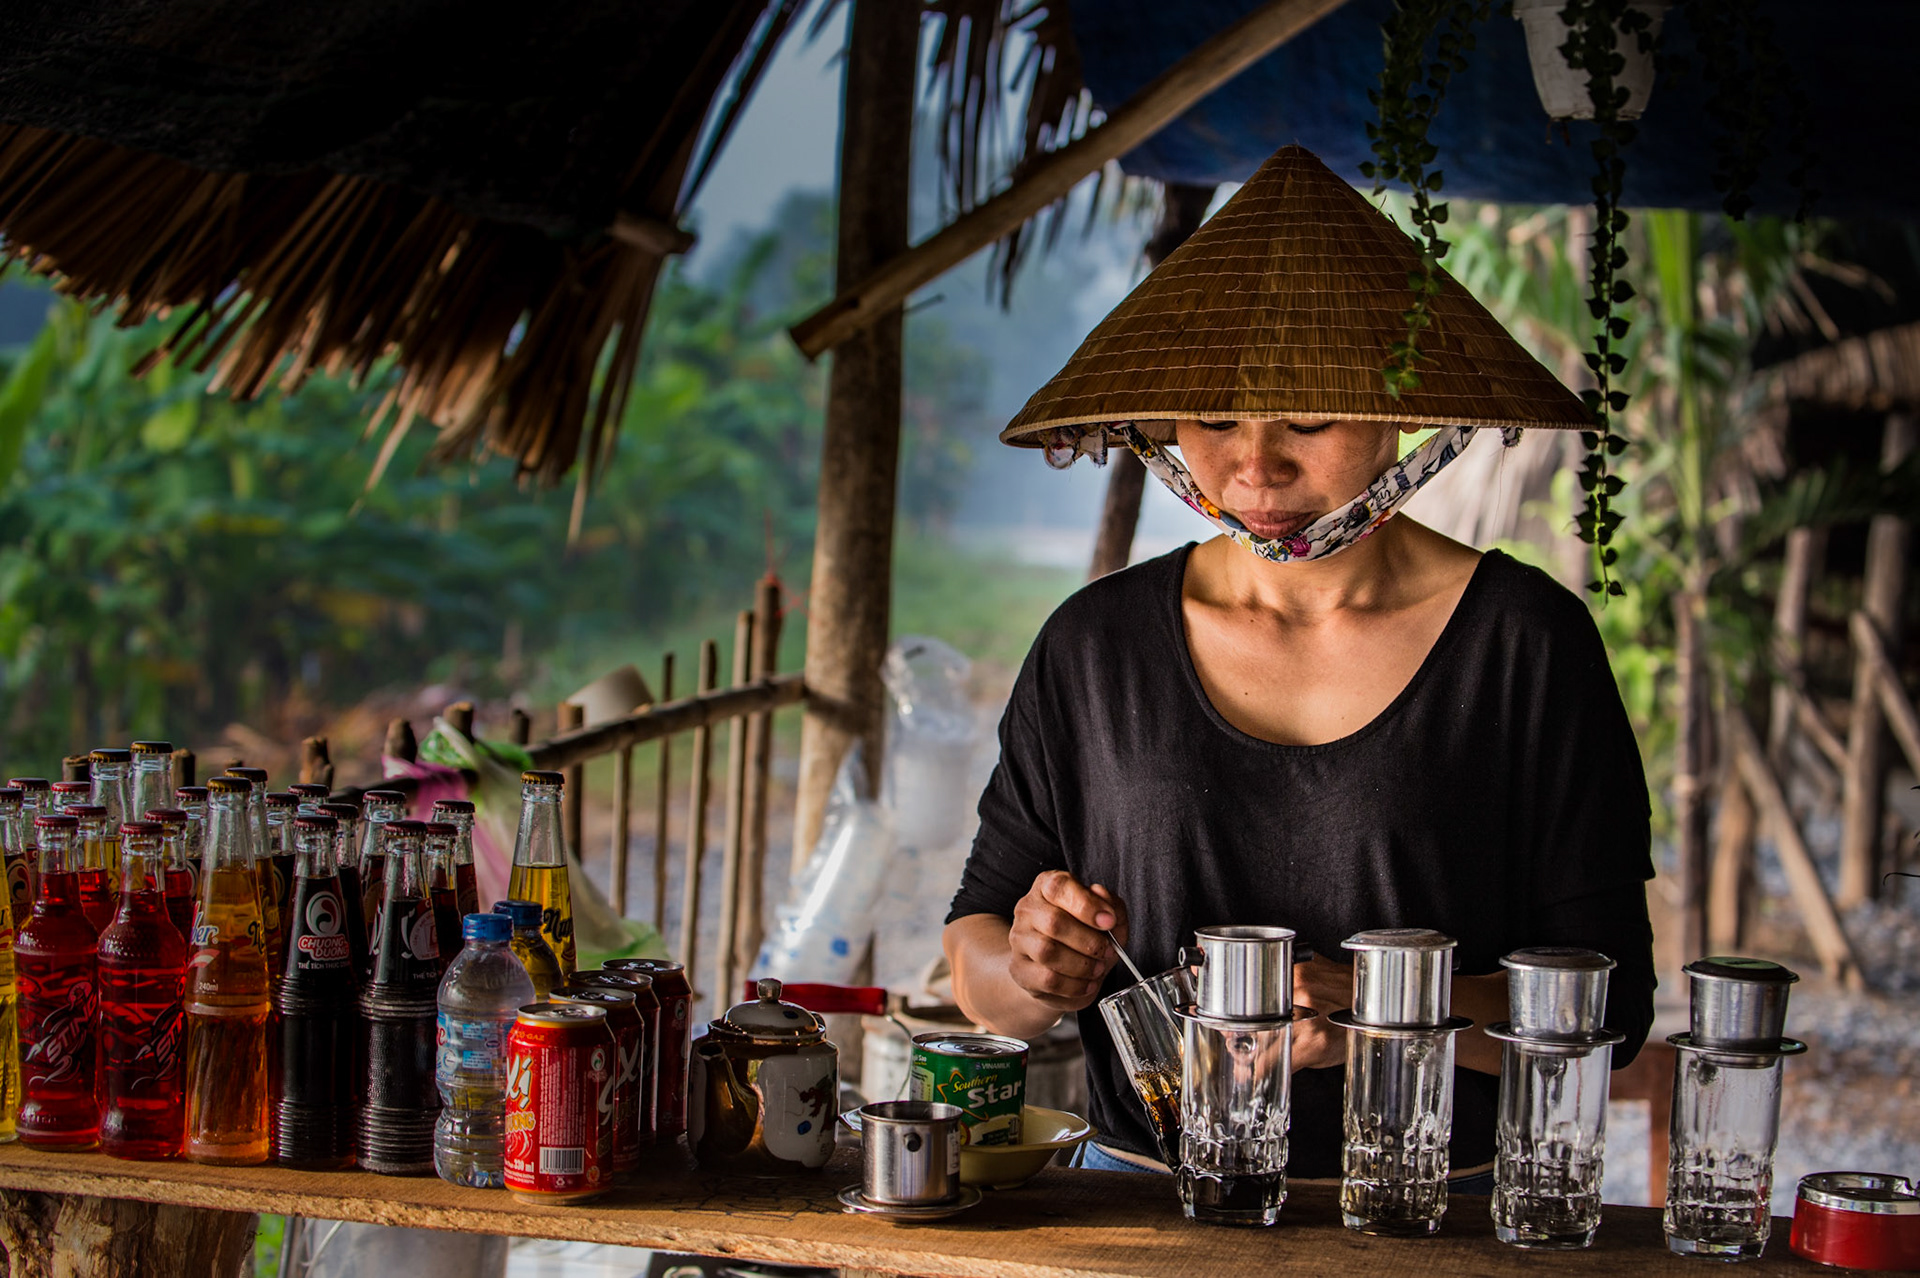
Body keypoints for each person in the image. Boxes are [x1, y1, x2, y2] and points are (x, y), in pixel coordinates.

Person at [942, 146, 1655, 1183]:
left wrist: (1383, 1019)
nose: (1254, 465)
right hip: (1143, 1212)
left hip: (1436, 1220)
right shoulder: (1094, 647)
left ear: (1402, 409)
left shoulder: (1525, 646)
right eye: (1216, 415)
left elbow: (1612, 1009)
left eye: (1309, 419)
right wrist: (1033, 967)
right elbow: (978, 956)